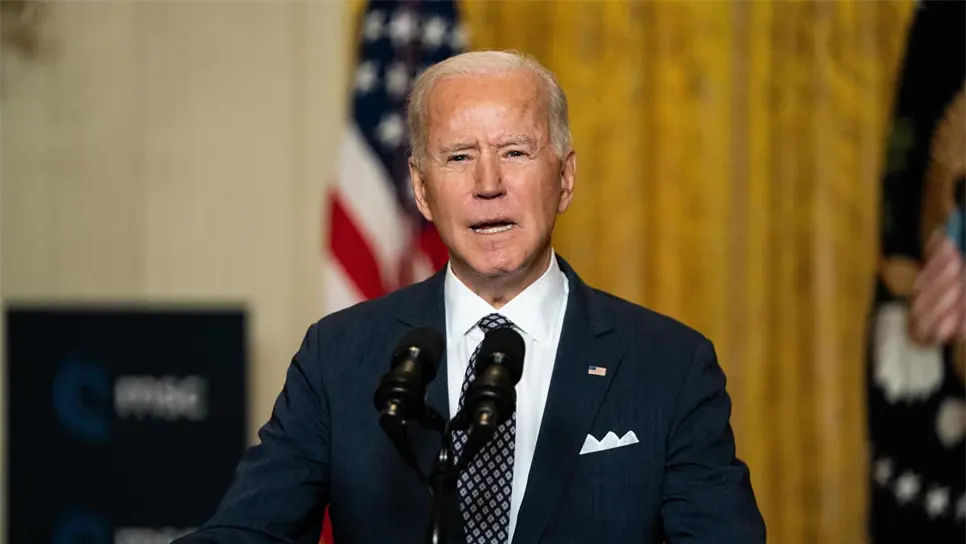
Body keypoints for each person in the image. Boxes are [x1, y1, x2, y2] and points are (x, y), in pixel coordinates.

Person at [174, 50, 765, 544]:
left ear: (565, 178)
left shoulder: (670, 365)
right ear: (422, 191)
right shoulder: (341, 355)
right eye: (459, 157)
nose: (488, 184)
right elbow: (248, 533)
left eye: (515, 152)